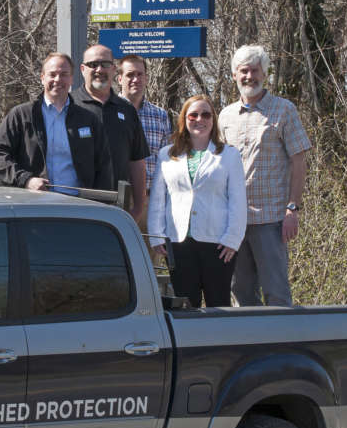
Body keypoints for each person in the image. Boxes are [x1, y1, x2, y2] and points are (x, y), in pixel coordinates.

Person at [219, 45, 311, 307]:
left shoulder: (284, 110)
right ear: (235, 75)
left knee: (277, 293)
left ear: (265, 73)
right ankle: (249, 345)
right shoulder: (225, 116)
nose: (249, 76)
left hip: (271, 220)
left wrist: (292, 209)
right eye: (243, 71)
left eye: (255, 70)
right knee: (241, 293)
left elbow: (298, 160)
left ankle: (282, 345)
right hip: (234, 222)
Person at [148, 95, 247, 308]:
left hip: (218, 243)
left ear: (213, 120)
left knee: (218, 303)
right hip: (178, 242)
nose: (199, 119)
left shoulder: (229, 155)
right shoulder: (167, 155)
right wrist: (156, 235)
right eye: (193, 115)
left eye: (206, 114)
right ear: (184, 119)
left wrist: (233, 239)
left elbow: (238, 200)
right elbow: (157, 199)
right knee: (185, 304)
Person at [0, 52, 113, 192]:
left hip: (77, 207)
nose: (58, 79)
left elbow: (104, 167)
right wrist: (25, 180)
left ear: (72, 79)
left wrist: (100, 207)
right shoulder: (22, 115)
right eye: (52, 74)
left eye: (64, 74)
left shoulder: (88, 120)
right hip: (32, 205)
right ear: (42, 78)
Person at [72, 45, 149, 221]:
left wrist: (138, 207)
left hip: (116, 210)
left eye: (105, 64)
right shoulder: (69, 106)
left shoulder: (127, 110)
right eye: (93, 64)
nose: (99, 69)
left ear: (114, 70)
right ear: (83, 69)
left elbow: (137, 162)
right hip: (74, 207)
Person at [116, 54, 172, 192]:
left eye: (140, 74)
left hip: (151, 197)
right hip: (117, 197)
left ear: (146, 78)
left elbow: (167, 161)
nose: (136, 79)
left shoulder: (160, 116)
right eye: (130, 75)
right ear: (119, 79)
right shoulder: (107, 112)